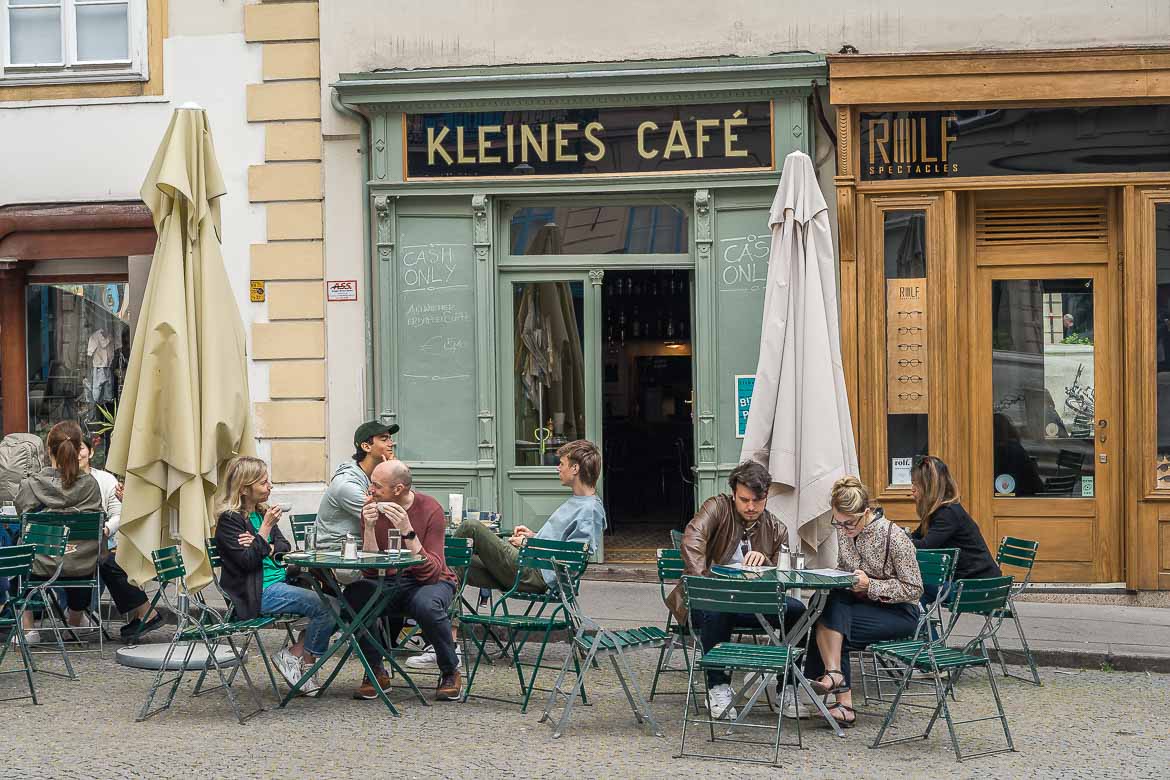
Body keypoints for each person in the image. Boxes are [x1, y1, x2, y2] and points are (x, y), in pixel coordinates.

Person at [664, 460, 806, 721]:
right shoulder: (716, 508)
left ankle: (787, 687)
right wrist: (705, 584)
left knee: (800, 612)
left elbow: (783, 575)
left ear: (767, 496)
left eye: (757, 500)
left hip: (752, 603)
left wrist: (767, 561)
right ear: (733, 494)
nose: (751, 507)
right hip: (706, 600)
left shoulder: (777, 528)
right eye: (744, 500)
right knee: (719, 608)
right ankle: (717, 686)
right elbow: (692, 540)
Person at [14, 421, 163, 642]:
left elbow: (23, 516)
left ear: (48, 450)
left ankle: (28, 628)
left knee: (21, 547)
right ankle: (75, 618)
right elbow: (97, 521)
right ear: (77, 449)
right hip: (82, 565)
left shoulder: (32, 485)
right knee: (81, 555)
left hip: (41, 563)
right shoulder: (91, 485)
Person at [803, 477, 923, 729]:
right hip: (861, 605)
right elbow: (844, 567)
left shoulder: (894, 536)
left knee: (835, 626)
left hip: (899, 611)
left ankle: (840, 694)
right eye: (838, 522)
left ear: (866, 513)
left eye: (849, 523)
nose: (844, 529)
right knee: (825, 600)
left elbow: (914, 588)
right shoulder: (845, 531)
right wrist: (835, 577)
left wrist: (872, 586)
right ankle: (836, 682)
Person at [213, 456, 335, 697]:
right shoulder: (230, 521)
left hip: (279, 582)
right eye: (263, 483)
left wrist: (263, 544)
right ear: (245, 487)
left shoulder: (261, 512)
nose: (270, 487)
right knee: (326, 607)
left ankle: (296, 655)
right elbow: (247, 561)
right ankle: (304, 664)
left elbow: (284, 546)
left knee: (338, 605)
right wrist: (265, 530)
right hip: (256, 593)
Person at [343, 460, 462, 701]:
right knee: (354, 596)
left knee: (426, 604)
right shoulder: (373, 507)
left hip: (431, 582)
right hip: (389, 581)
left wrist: (407, 530)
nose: (371, 491)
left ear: (398, 489)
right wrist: (369, 527)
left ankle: (450, 671)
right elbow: (369, 571)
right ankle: (376, 670)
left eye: (377, 486)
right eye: (370, 484)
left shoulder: (430, 509)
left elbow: (431, 571)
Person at [454, 440, 605, 595]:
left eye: (561, 464)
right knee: (455, 561)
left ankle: (440, 612)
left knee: (470, 527)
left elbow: (573, 557)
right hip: (532, 566)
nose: (558, 468)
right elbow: (562, 544)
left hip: (536, 574)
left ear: (575, 468)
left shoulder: (589, 510)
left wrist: (529, 544)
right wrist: (533, 536)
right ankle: (446, 614)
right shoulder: (579, 501)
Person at [77, 436, 167, 641]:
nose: (76, 453)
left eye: (80, 448)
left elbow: (119, 515)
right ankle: (77, 615)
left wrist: (106, 530)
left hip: (116, 543)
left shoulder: (106, 480)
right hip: (92, 546)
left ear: (91, 452)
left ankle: (144, 613)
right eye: (70, 449)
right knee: (99, 560)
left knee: (107, 560)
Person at [910, 455, 1001, 605]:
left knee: (914, 588)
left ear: (929, 487)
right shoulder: (940, 511)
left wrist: (896, 542)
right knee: (915, 593)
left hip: (979, 587)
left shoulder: (947, 513)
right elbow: (916, 537)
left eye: (916, 484)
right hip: (970, 583)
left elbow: (925, 547)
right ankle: (923, 628)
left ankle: (922, 628)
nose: (912, 489)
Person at [315, 420, 398, 549]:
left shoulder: (377, 475)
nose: (391, 443)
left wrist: (394, 473)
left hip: (363, 546)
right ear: (366, 447)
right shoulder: (347, 484)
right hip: (337, 553)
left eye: (390, 439)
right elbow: (388, 519)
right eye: (384, 439)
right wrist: (394, 474)